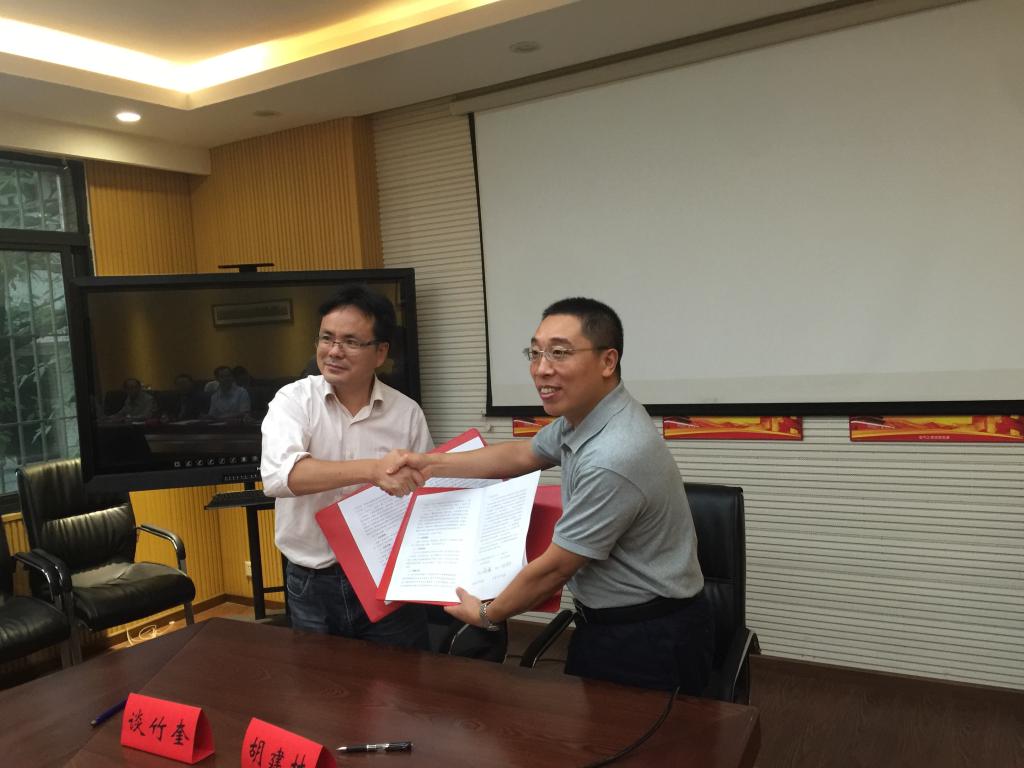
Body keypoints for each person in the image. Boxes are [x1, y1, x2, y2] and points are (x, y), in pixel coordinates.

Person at [387, 297, 713, 692]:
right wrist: (430, 464)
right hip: (610, 620)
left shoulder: (614, 454)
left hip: (647, 635)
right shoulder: (590, 414)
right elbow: (523, 454)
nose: (542, 368)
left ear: (607, 361)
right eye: (536, 352)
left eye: (559, 353)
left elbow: (556, 568)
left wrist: (487, 614)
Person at [260, 284, 433, 649]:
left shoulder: (406, 413)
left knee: (400, 678)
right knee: (319, 680)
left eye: (351, 342)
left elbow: (427, 494)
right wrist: (373, 470)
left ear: (380, 352)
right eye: (327, 338)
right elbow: (281, 476)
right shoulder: (294, 400)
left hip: (386, 577)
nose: (334, 351)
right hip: (312, 580)